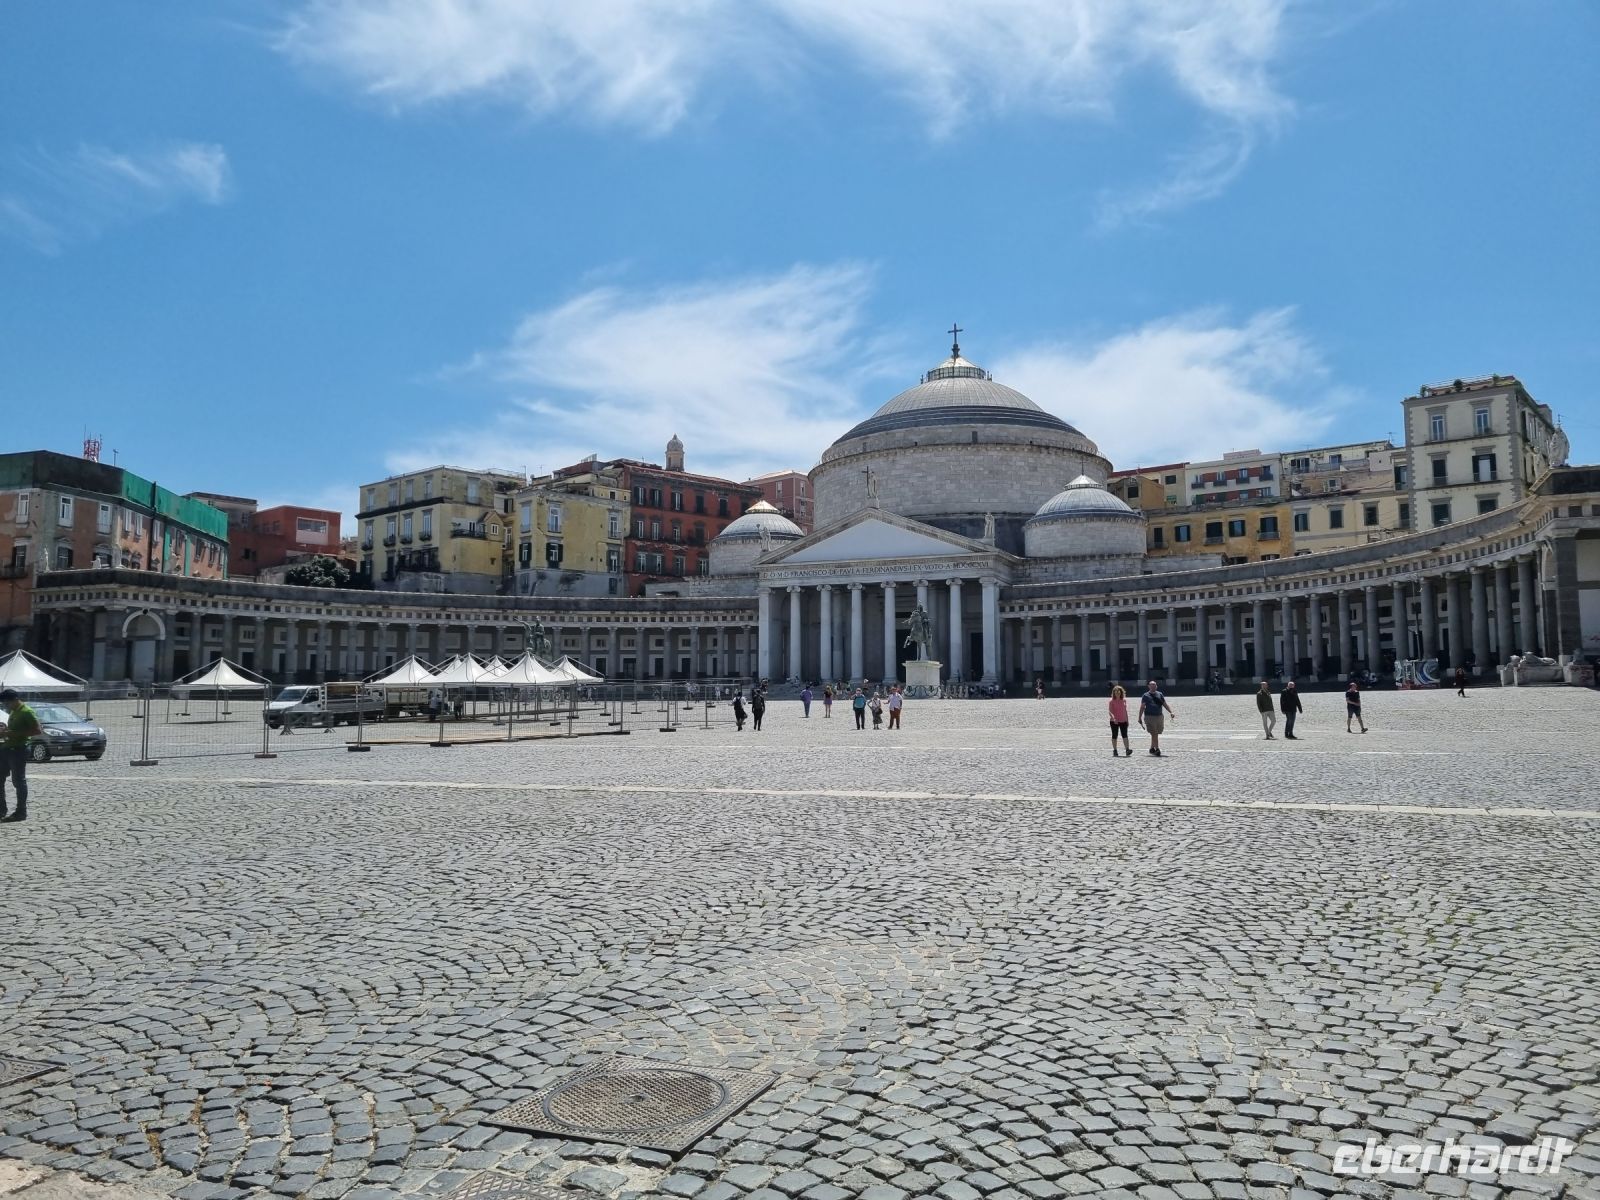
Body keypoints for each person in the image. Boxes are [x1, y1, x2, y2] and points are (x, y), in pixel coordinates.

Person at [0, 689, 40, 823]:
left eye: (6, 703)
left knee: (18, 781)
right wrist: (5, 731)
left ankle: (21, 812)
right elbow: (13, 730)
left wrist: (11, 734)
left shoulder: (27, 712)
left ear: (14, 700)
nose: (5, 705)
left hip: (19, 750)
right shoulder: (14, 711)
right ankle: (1, 810)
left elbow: (37, 730)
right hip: (6, 749)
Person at [1137, 679, 1174, 756]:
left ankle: (1151, 748)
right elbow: (1142, 707)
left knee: (1156, 733)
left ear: (1156, 686)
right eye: (1151, 685)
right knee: (1154, 733)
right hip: (1149, 716)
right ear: (1149, 686)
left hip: (1159, 716)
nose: (1153, 686)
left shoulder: (1160, 694)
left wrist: (1171, 712)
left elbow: (1164, 704)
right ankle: (1157, 749)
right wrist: (1139, 717)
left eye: (1154, 685)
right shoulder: (1145, 695)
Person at [1107, 684, 1131, 757]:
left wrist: (1127, 720)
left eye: (1119, 692)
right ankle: (1115, 750)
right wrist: (1114, 718)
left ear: (1121, 692)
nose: (1117, 693)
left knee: (1125, 735)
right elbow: (1110, 711)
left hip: (1123, 720)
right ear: (1114, 693)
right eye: (1116, 692)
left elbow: (1125, 710)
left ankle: (1127, 749)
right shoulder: (1111, 701)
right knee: (1115, 735)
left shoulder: (1124, 700)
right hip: (1114, 721)